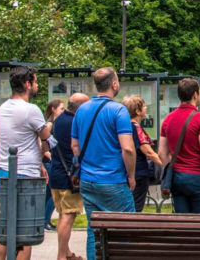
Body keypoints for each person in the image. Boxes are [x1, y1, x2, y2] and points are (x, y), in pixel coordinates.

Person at [71, 68, 136, 260]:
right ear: (114, 84)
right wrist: (131, 175)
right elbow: (128, 148)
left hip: (88, 180)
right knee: (125, 229)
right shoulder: (118, 110)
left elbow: (75, 146)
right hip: (113, 180)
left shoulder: (81, 110)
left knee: (94, 231)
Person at [0, 66, 53, 260]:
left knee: (4, 227)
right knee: (25, 231)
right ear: (27, 84)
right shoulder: (30, 110)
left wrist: (40, 165)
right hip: (25, 175)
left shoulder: (4, 107)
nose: (36, 86)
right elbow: (45, 135)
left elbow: (22, 139)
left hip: (4, 170)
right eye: (35, 82)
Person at [158, 77, 200, 214]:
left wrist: (172, 171)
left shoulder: (168, 119)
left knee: (183, 221)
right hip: (198, 178)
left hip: (177, 178)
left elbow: (161, 153)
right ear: (195, 94)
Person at [50, 93, 88, 260]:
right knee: (68, 215)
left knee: (62, 214)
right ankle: (61, 255)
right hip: (69, 176)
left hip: (56, 172)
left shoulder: (59, 120)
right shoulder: (75, 122)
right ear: (80, 108)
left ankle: (66, 252)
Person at [122, 95, 162, 212]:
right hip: (139, 173)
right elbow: (148, 152)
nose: (146, 108)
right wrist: (164, 165)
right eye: (144, 106)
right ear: (137, 111)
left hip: (126, 172)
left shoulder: (124, 127)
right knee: (136, 207)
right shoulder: (136, 128)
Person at [43, 99, 65, 232]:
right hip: (50, 163)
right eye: (61, 108)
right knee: (52, 194)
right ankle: (45, 221)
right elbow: (43, 143)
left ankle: (43, 220)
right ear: (53, 109)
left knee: (48, 194)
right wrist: (48, 154)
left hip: (49, 163)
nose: (63, 111)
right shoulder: (50, 125)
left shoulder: (56, 124)